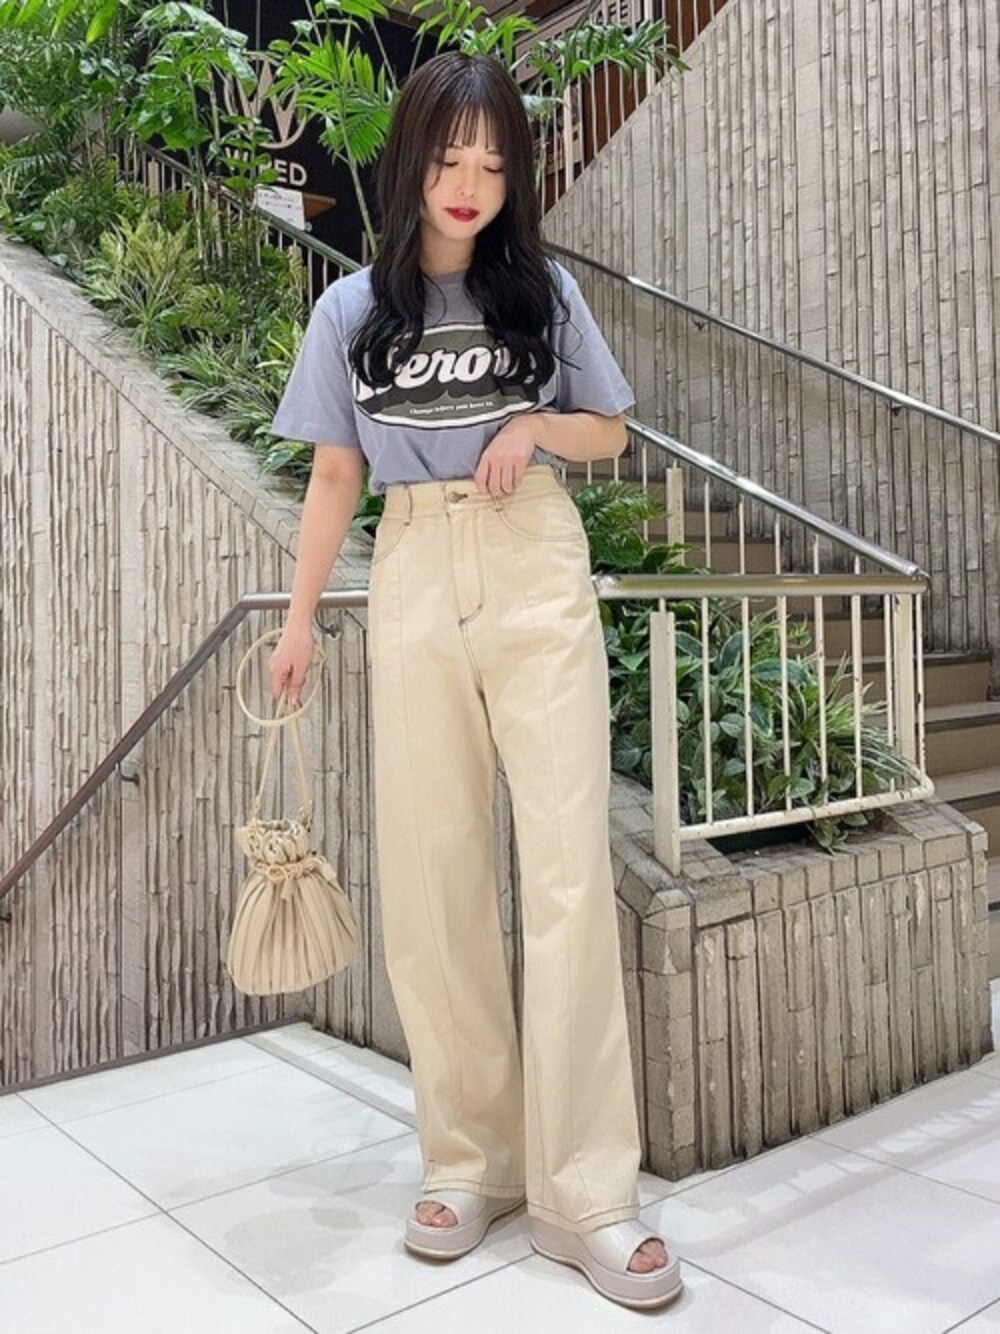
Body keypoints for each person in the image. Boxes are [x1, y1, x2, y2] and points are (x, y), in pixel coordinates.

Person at [266, 49, 683, 1312]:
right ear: (411, 162)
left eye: (494, 163)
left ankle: (585, 1191)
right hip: (409, 564)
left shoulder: (540, 292)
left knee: (564, 869)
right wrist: (298, 622)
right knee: (434, 869)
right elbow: (334, 473)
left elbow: (608, 428)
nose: (470, 183)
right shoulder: (352, 312)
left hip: (530, 558)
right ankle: (468, 1159)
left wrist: (533, 425)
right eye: (450, 158)